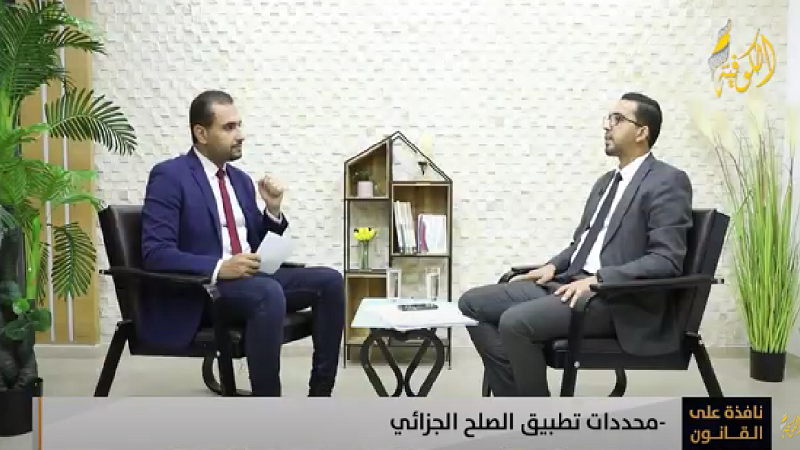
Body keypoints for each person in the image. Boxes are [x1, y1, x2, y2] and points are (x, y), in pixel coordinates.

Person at [458, 92, 693, 396]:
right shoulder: (606, 182)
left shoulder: (667, 181)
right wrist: (553, 266)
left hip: (616, 300)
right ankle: (518, 403)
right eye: (608, 118)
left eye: (617, 119)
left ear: (641, 132)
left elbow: (666, 260)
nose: (607, 126)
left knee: (515, 322)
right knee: (471, 304)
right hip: (571, 284)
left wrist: (599, 280)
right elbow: (583, 243)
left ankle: (535, 417)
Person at [139, 90, 345, 397]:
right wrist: (220, 267)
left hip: (250, 280)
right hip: (204, 291)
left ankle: (320, 396)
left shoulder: (241, 181)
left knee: (330, 281)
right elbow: (156, 254)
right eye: (229, 127)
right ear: (201, 133)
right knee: (267, 293)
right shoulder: (170, 176)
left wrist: (272, 211)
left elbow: (257, 246)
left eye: (239, 125)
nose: (240, 135)